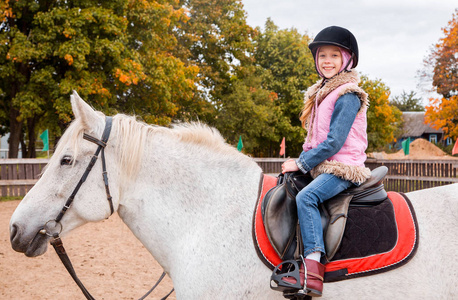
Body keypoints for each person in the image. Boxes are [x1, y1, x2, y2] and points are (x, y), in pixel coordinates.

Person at [281, 26, 371, 297]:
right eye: (322, 56)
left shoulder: (348, 95)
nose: (327, 61)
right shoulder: (322, 93)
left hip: (343, 166)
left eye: (334, 55)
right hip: (325, 163)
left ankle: (313, 268)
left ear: (346, 60)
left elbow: (334, 142)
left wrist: (301, 162)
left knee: (306, 198)